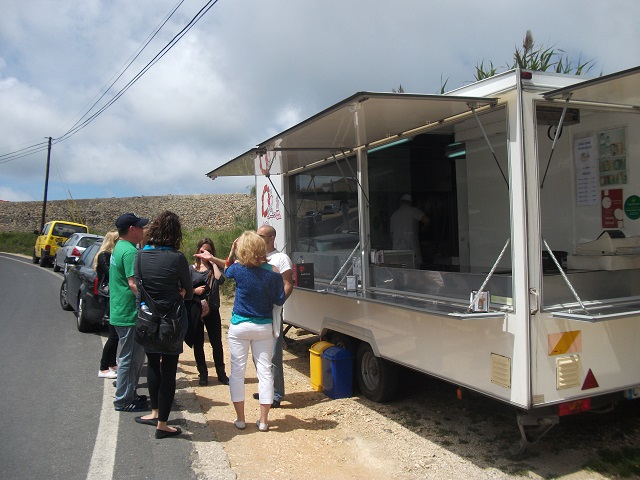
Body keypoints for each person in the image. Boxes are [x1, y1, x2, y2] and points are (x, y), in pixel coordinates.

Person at [198, 231, 285, 432]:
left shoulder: (238, 269)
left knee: (237, 372)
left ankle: (240, 418)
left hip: (239, 326)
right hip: (263, 327)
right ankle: (263, 420)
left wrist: (231, 251)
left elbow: (226, 269)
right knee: (265, 371)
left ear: (242, 249)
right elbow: (279, 299)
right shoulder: (272, 271)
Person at [133, 211, 193, 439]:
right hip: (172, 321)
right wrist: (178, 292)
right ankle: (163, 424)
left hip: (147, 319)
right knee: (169, 369)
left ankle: (154, 412)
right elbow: (187, 294)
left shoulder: (139, 256)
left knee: (153, 366)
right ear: (175, 233)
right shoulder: (177, 258)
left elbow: (139, 290)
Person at [111, 213, 149, 412]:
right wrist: (148, 303)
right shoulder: (130, 252)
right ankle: (124, 399)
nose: (143, 230)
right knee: (130, 357)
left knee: (131, 357)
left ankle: (129, 394)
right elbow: (133, 283)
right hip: (129, 313)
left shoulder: (120, 247)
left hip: (120, 310)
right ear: (132, 229)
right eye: (140, 227)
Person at [255, 224, 293, 408]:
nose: (258, 239)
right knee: (258, 355)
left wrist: (278, 302)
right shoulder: (256, 258)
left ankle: (277, 393)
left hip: (273, 313)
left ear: (271, 238)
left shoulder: (281, 258)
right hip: (257, 313)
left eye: (261, 236)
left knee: (273, 355)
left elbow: (288, 284)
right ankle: (265, 389)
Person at [190, 238, 229, 386]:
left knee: (216, 343)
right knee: (198, 344)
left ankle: (221, 374)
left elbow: (220, 280)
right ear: (197, 250)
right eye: (202, 250)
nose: (205, 253)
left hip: (212, 309)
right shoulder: (191, 269)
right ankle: (203, 374)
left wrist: (212, 262)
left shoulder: (214, 269)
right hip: (196, 310)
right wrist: (195, 290)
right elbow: (184, 289)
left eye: (208, 251)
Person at [95, 231, 119, 379]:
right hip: (108, 296)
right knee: (113, 335)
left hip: (111, 296)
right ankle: (103, 367)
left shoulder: (108, 256)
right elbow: (111, 274)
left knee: (114, 334)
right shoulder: (105, 256)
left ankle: (111, 363)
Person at [389, 194, 429, 267]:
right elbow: (427, 220)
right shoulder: (414, 211)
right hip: (412, 250)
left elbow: (391, 236)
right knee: (414, 274)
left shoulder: (394, 215)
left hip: (397, 252)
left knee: (400, 274)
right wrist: (424, 229)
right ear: (410, 203)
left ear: (401, 203)